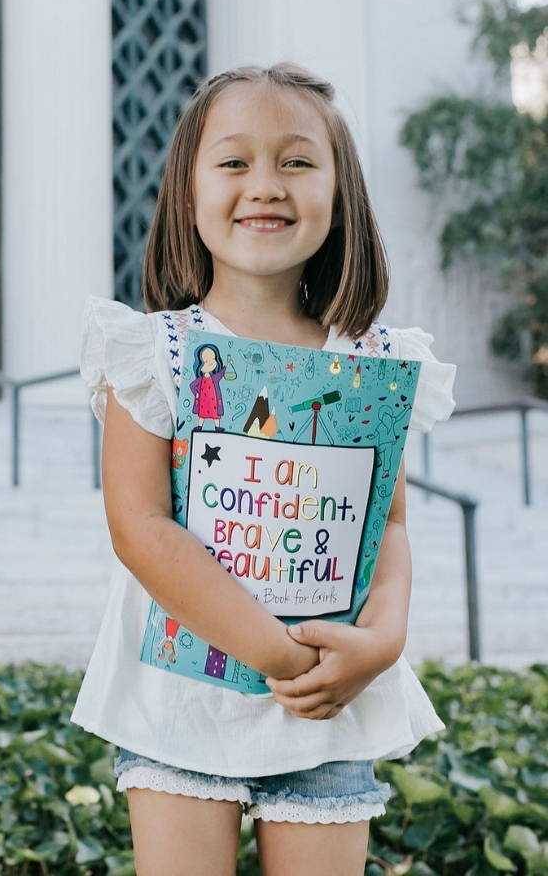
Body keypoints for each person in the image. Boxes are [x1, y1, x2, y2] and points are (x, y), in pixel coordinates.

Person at [75, 62, 457, 876]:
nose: (266, 185)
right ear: (188, 193)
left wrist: (382, 641)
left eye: (296, 161)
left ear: (339, 192)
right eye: (235, 162)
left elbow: (384, 524)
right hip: (180, 703)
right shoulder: (152, 354)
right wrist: (278, 655)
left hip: (330, 699)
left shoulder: (377, 364)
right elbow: (139, 529)